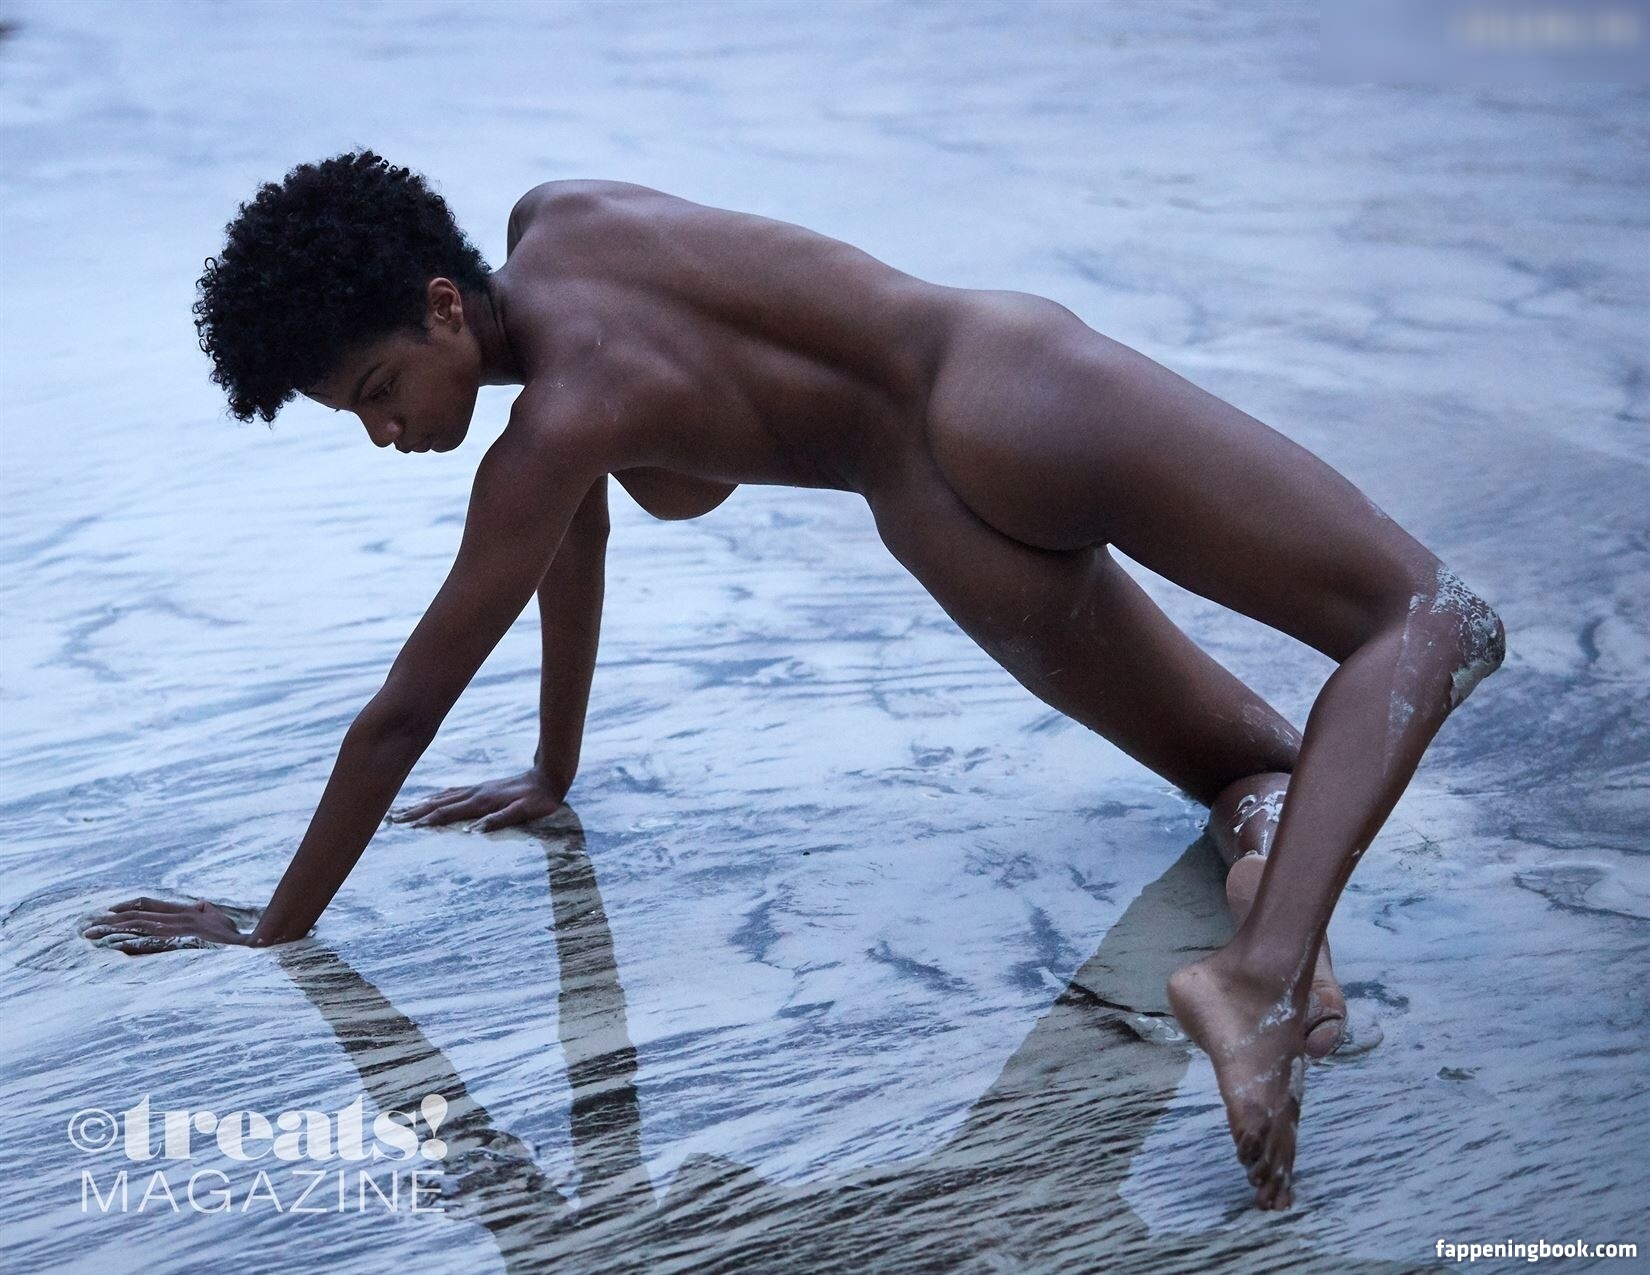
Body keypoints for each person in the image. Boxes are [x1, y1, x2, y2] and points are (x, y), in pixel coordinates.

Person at [80, 152, 1505, 1210]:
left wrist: (272, 929)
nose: (385, 435)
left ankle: (1271, 950)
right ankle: (1262, 964)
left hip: (947, 494)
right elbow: (568, 535)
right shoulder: (564, 228)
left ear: (445, 307)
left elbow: (408, 707)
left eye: (380, 391)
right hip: (993, 402)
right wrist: (552, 769)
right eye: (356, 418)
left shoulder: (556, 423)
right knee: (1421, 620)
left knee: (1395, 647)